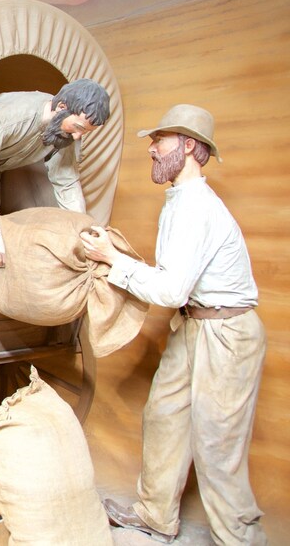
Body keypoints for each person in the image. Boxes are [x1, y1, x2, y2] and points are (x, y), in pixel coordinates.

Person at [80, 104, 267, 545]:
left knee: (218, 446)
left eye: (159, 140)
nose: (151, 148)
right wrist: (116, 260)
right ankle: (155, 515)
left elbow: (170, 291)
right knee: (164, 416)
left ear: (187, 146)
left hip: (227, 334)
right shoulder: (180, 200)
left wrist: (113, 260)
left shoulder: (197, 207)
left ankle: (241, 538)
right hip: (194, 325)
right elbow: (176, 288)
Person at [0, 78, 111, 267]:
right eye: (78, 128)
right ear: (61, 107)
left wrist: (81, 229)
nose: (77, 137)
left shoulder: (66, 133)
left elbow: (67, 182)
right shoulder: (7, 117)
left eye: (85, 132)